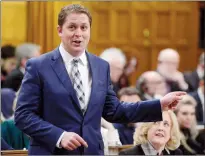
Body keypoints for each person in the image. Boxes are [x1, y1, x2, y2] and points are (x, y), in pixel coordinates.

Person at [14, 4, 186, 155]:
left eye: (84, 27)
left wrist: (159, 104)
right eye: (72, 27)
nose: (78, 34)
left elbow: (114, 111)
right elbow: (23, 115)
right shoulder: (38, 66)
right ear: (60, 30)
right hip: (51, 151)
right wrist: (59, 136)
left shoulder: (101, 66)